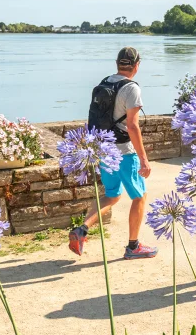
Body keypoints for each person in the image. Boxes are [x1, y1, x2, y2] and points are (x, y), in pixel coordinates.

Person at [68, 46, 158, 259]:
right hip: (125, 152)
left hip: (104, 150)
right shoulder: (131, 89)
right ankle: (133, 246)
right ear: (137, 66)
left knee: (111, 195)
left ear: (117, 63)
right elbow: (133, 127)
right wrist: (144, 159)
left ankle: (81, 229)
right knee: (140, 196)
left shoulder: (104, 82)